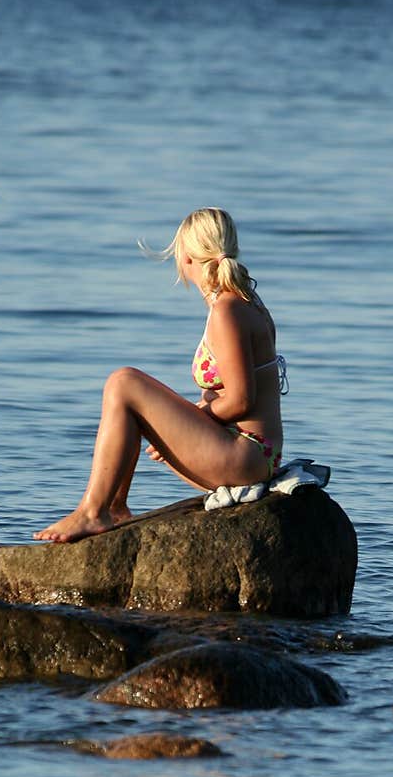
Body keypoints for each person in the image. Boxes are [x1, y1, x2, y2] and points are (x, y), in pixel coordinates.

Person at [33, 206, 287, 543]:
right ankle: (115, 506)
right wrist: (185, 422)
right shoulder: (246, 301)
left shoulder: (228, 310)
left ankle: (94, 512)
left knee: (123, 382)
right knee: (133, 401)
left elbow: (241, 400)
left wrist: (195, 416)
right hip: (254, 454)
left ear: (186, 258)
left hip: (246, 456)